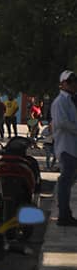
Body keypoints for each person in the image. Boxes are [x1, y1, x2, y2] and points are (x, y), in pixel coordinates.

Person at [52, 70, 77, 226]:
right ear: (63, 84)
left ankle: (65, 213)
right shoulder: (60, 101)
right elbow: (62, 122)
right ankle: (63, 216)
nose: (73, 84)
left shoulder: (71, 100)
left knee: (68, 181)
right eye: (70, 81)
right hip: (66, 147)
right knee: (66, 181)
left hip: (73, 147)